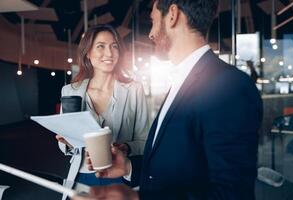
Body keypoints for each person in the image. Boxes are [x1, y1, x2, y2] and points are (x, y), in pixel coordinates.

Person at [73, 0, 263, 199]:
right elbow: (177, 166)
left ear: (172, 15)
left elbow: (231, 194)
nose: (150, 33)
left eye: (154, 21)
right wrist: (128, 167)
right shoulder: (185, 80)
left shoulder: (229, 85)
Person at [56, 25, 149, 189]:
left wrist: (126, 147)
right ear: (88, 53)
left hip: (120, 177)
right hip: (81, 177)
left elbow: (145, 140)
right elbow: (66, 144)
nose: (109, 53)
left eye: (114, 46)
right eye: (101, 46)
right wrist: (68, 142)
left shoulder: (134, 89)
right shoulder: (70, 91)